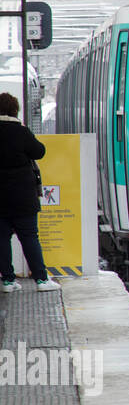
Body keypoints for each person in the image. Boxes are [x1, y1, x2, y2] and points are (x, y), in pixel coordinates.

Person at [0, 93, 58, 292]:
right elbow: (39, 152)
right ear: (15, 110)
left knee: (1, 239)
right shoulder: (21, 132)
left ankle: (7, 281)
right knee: (30, 237)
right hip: (23, 198)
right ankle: (41, 280)